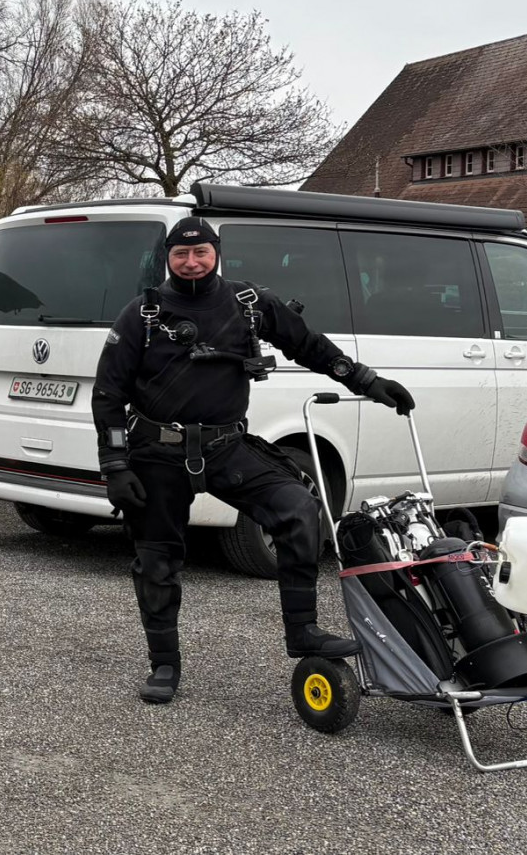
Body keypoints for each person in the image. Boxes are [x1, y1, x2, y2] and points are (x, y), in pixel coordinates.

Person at [92, 218, 416, 704]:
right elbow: (107, 393)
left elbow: (309, 345)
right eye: (181, 254)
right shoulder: (142, 313)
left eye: (201, 252)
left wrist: (367, 382)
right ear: (168, 258)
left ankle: (303, 630)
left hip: (227, 446)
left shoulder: (248, 303)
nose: (191, 262)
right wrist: (115, 465)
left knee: (299, 510)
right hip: (158, 452)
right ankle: (164, 664)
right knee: (157, 560)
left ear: (217, 252)